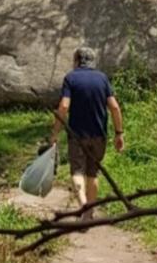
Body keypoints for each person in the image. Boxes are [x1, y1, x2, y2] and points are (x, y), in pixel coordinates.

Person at [49, 46, 124, 219]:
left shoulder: (71, 78)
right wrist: (119, 133)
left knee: (77, 172)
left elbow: (64, 106)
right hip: (99, 134)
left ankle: (83, 205)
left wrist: (55, 133)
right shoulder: (102, 78)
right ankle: (89, 210)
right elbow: (114, 106)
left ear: (76, 61)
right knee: (93, 173)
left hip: (77, 136)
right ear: (92, 61)